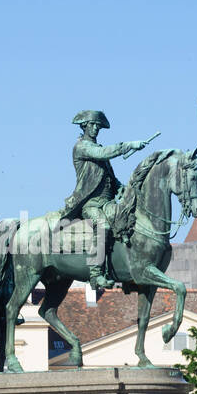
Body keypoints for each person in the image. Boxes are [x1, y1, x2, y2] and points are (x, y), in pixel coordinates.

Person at [59, 110, 154, 290]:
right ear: (84, 126)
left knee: (128, 222)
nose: (95, 128)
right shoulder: (82, 147)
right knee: (103, 226)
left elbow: (108, 176)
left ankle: (129, 273)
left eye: (98, 126)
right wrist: (129, 145)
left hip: (108, 202)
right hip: (91, 204)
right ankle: (95, 274)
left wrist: (122, 188)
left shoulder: (97, 148)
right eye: (92, 125)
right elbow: (103, 153)